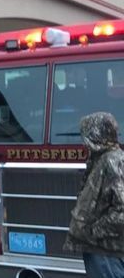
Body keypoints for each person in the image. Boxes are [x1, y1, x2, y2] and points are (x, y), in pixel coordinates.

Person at [64, 112, 124, 278]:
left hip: (106, 250)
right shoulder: (101, 159)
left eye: (87, 135)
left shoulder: (112, 162)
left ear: (96, 135)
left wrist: (93, 232)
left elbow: (122, 211)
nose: (84, 143)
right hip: (99, 249)